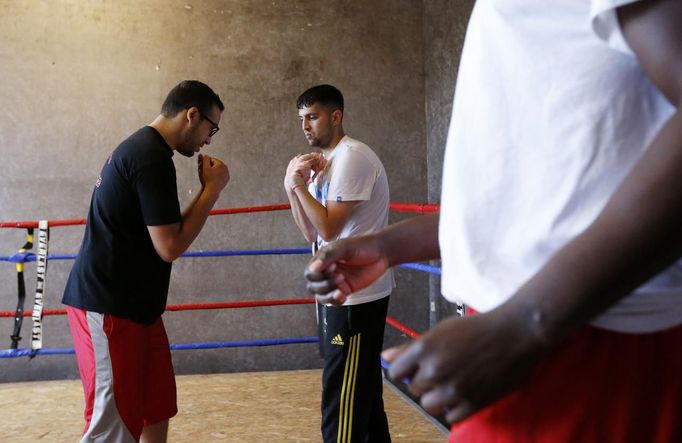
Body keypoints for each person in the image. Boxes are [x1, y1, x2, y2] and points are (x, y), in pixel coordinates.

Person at [305, 1, 682, 442]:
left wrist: (526, 322)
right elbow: (538, 194)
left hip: (583, 338)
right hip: (539, 333)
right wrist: (393, 246)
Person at [62, 80, 230, 443]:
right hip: (109, 308)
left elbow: (165, 233)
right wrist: (212, 189)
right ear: (191, 115)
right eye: (210, 128)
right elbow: (169, 246)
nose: (209, 139)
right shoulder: (149, 157)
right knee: (111, 426)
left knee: (156, 410)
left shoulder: (147, 152)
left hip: (138, 310)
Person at [284, 84, 395, 442]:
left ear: (336, 116)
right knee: (363, 396)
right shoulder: (325, 165)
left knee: (342, 398)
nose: (305, 126)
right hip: (339, 293)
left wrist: (299, 187)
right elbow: (310, 233)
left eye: (312, 117)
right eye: (302, 119)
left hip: (356, 297)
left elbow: (329, 226)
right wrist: (293, 186)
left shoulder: (351, 158)